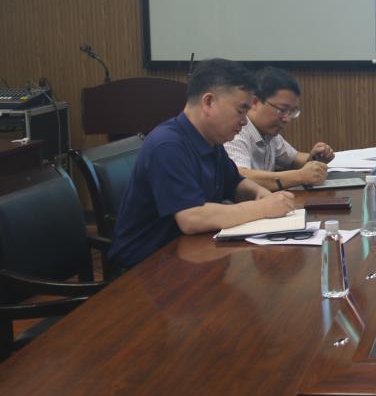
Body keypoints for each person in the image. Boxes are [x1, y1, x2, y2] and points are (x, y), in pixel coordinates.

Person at [108, 58, 296, 270]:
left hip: (187, 255)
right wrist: (261, 208)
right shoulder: (168, 145)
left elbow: (235, 183)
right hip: (144, 269)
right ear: (208, 102)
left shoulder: (210, 140)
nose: (245, 121)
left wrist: (260, 193)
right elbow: (192, 218)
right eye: (241, 110)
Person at [224, 66, 334, 191]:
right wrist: (299, 176)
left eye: (292, 112)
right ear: (254, 102)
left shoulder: (269, 134)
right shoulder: (237, 132)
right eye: (282, 110)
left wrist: (315, 158)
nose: (287, 119)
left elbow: (294, 159)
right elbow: (240, 176)